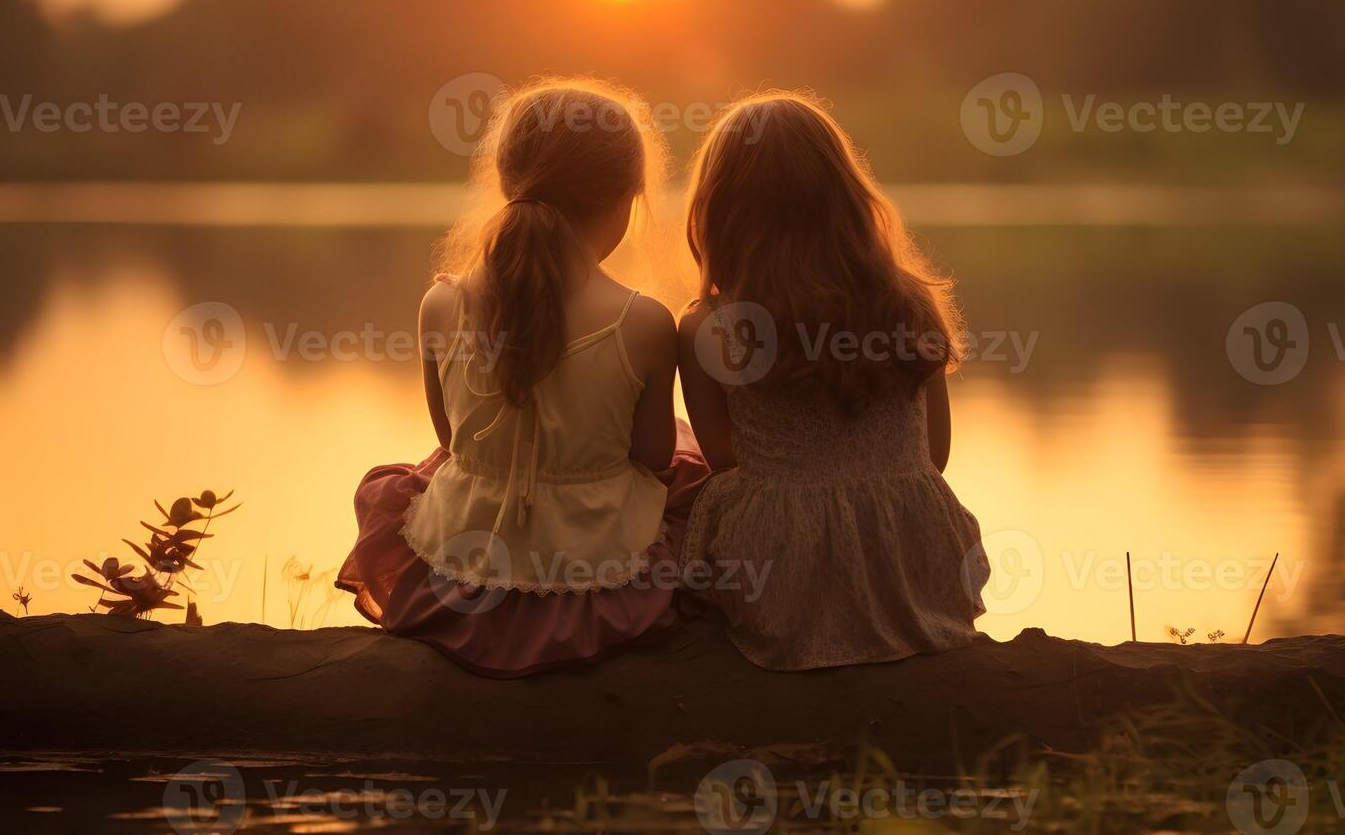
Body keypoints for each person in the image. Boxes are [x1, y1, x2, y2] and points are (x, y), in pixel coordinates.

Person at [337, 78, 706, 678]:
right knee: (695, 472)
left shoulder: (441, 301)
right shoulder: (644, 321)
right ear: (623, 200)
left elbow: (452, 441)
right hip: (594, 572)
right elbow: (652, 456)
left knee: (426, 473)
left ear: (508, 184)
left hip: (458, 564)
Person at [677, 91, 991, 670]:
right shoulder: (911, 302)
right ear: (846, 196)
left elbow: (726, 461)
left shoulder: (709, 326)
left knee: (683, 482)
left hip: (784, 584)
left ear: (720, 210)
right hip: (918, 568)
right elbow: (934, 455)